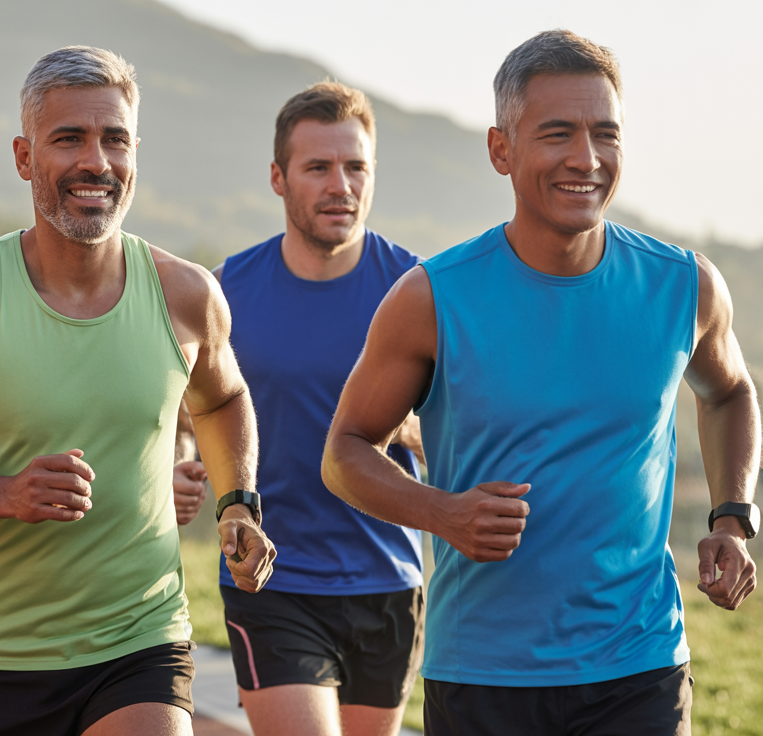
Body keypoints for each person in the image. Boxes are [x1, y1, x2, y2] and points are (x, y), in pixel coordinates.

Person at [321, 30, 759, 736]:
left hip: (639, 665)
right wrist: (443, 513)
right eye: (557, 134)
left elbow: (731, 391)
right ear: (502, 149)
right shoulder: (432, 298)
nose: (585, 159)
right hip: (482, 674)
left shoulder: (683, 286)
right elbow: (344, 452)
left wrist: (734, 518)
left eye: (605, 135)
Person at [0, 46, 276, 736]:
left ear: (135, 151)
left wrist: (238, 504)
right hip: (0, 657)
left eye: (114, 138)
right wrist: (6, 495)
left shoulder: (185, 294)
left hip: (142, 638)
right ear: (26, 158)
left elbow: (223, 398)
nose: (96, 161)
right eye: (70, 139)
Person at [216, 82, 424, 736]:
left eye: (355, 166)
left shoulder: (415, 288)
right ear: (279, 178)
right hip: (272, 578)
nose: (341, 185)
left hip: (388, 578)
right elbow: (200, 406)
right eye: (318, 167)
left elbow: (464, 424)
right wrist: (190, 468)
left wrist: (421, 428)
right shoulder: (228, 290)